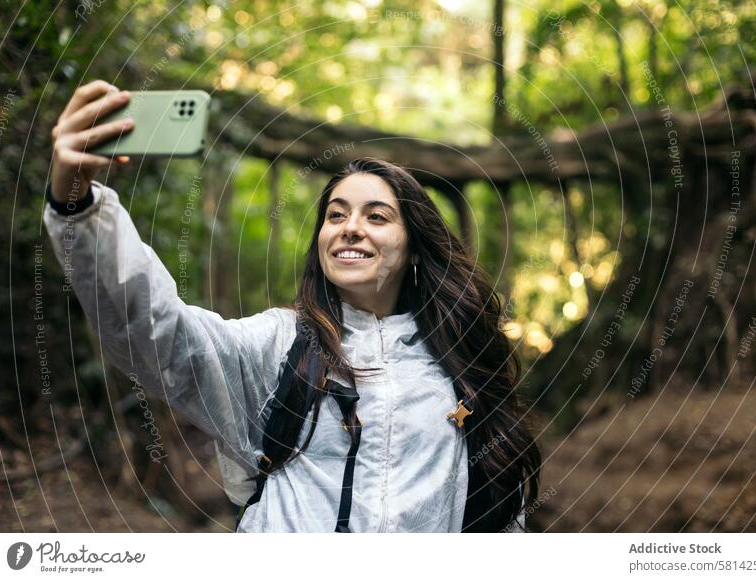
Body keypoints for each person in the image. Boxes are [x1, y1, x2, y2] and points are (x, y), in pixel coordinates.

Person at [45, 80, 541, 533]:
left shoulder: (458, 364)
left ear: (413, 246)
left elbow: (500, 510)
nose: (350, 227)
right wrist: (77, 205)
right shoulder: (280, 343)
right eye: (336, 214)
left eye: (377, 216)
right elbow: (160, 334)